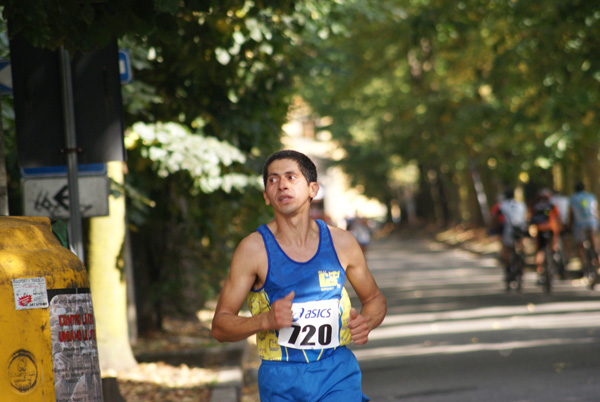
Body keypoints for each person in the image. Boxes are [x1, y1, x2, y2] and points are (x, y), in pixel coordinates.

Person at [211, 150, 387, 402]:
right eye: (272, 180)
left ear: (313, 189)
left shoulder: (342, 243)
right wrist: (264, 321)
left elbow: (375, 299)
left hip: (336, 370)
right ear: (266, 197)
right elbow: (220, 325)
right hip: (280, 378)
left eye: (291, 177)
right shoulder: (253, 250)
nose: (281, 184)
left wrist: (366, 321)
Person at [491, 188, 527, 288]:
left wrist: (494, 229)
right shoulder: (521, 205)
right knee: (522, 248)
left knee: (507, 250)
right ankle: (522, 263)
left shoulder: (502, 205)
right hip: (521, 230)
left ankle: (508, 271)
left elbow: (495, 218)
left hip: (509, 230)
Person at [530, 189, 562, 284]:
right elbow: (558, 218)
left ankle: (540, 272)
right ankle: (555, 254)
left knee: (539, 251)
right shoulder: (552, 206)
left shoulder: (535, 206)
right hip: (551, 229)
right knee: (553, 243)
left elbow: (530, 219)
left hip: (539, 230)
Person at [568, 181, 600, 268]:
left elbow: (571, 213)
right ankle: (597, 256)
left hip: (580, 224)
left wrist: (569, 225)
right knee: (594, 240)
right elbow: (595, 211)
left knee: (580, 244)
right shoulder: (591, 196)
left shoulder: (573, 198)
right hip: (592, 222)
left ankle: (584, 265)